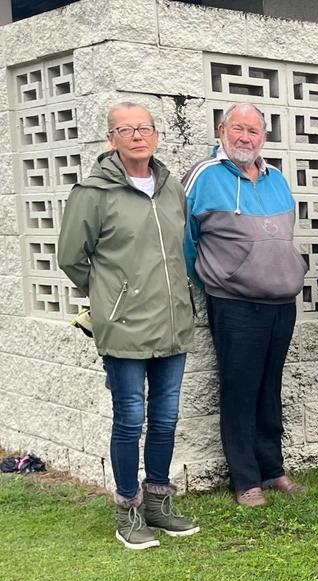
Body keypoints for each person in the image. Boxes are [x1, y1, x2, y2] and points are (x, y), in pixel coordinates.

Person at [57, 102, 199, 549]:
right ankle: (128, 511)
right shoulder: (93, 193)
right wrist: (109, 298)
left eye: (144, 128)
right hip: (123, 327)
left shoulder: (171, 186)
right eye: (126, 129)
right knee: (130, 418)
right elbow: (70, 258)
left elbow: (180, 248)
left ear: (155, 135)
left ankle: (158, 505)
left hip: (172, 322)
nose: (137, 136)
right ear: (111, 139)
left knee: (165, 418)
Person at [183, 102, 308, 508]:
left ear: (263, 138)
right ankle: (245, 479)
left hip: (279, 303)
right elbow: (185, 240)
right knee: (239, 389)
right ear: (222, 131)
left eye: (253, 131)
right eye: (238, 129)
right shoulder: (205, 177)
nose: (245, 138)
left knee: (270, 386)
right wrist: (215, 277)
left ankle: (272, 469)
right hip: (234, 302)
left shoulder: (276, 179)